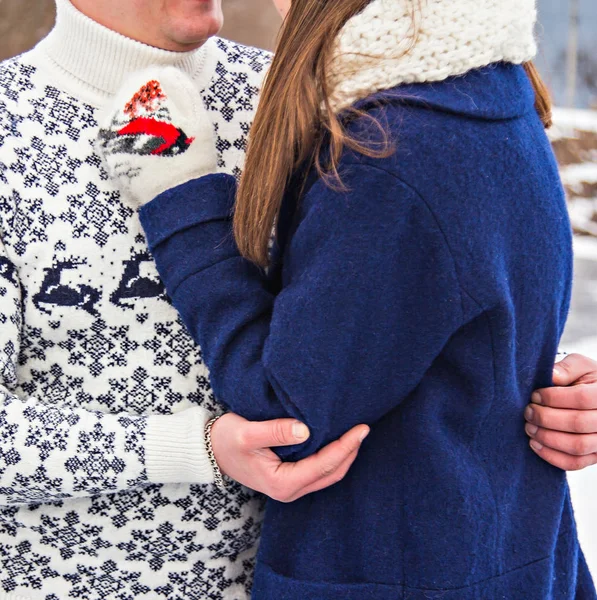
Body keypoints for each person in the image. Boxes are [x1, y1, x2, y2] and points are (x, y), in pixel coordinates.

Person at [99, 0, 597, 597]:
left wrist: (182, 203)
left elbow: (287, 418)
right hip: (495, 551)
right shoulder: (486, 90)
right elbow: (449, 310)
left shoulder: (390, 150)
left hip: (406, 570)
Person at [0, 1, 370, 598]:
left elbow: (404, 312)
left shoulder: (309, 100)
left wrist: (530, 389)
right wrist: (195, 446)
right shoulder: (9, 129)